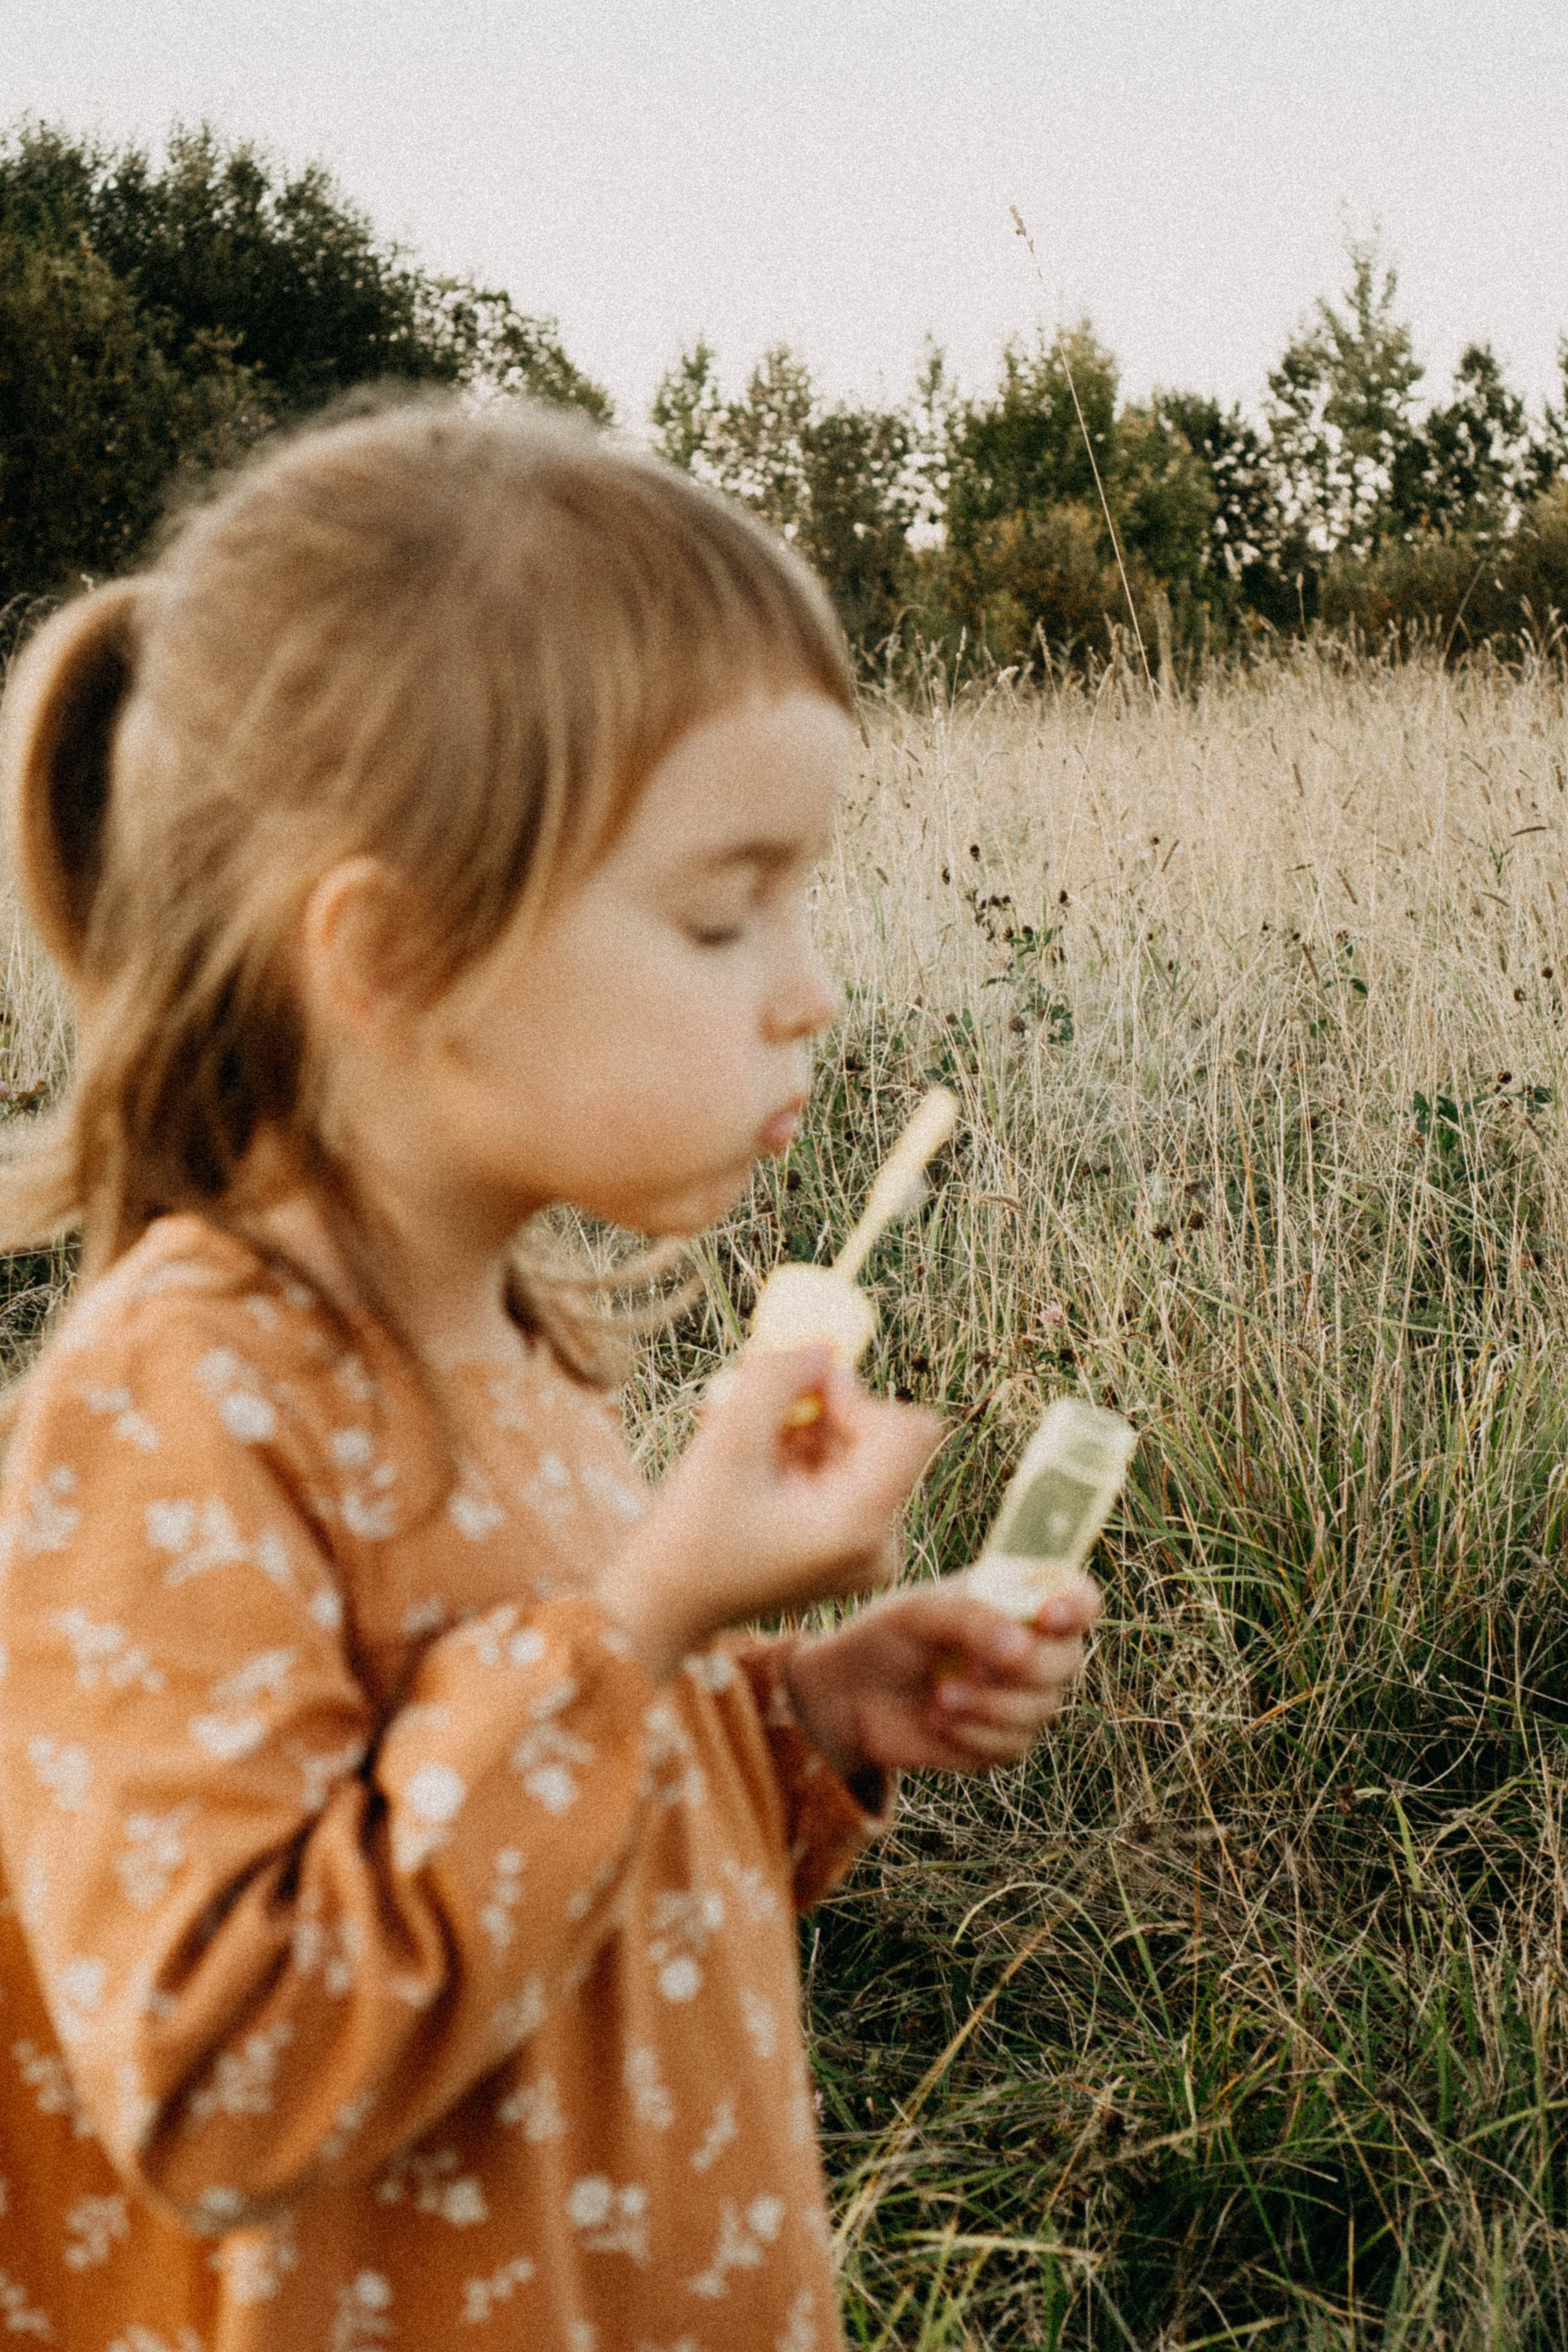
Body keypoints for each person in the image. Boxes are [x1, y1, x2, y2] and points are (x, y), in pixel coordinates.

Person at [0, 399, 1100, 2350]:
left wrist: (803, 1721)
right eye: (718, 909)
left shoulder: (514, 1338)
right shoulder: (176, 1404)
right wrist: (646, 1615)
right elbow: (219, 2064)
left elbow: (555, 1844)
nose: (810, 986)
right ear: (397, 956)